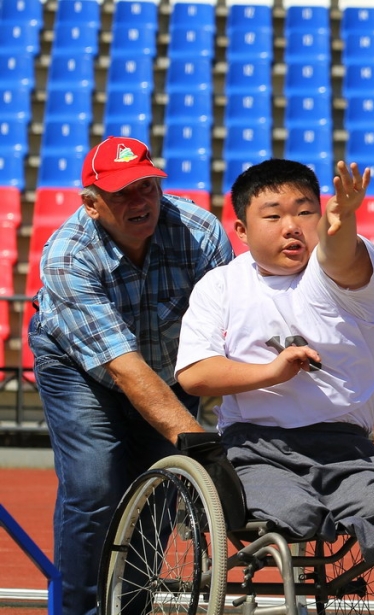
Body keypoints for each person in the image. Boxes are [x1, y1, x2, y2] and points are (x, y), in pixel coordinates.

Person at [29, 136, 234, 615]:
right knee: (96, 482)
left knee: (165, 486)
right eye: (122, 193)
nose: (141, 201)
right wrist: (203, 447)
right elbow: (122, 366)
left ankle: (131, 607)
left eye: (147, 186)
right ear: (92, 204)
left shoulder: (201, 232)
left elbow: (228, 334)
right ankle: (78, 610)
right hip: (80, 367)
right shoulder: (67, 255)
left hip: (169, 366)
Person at [174, 159, 374, 563]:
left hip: (346, 449)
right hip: (254, 446)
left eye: (305, 212)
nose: (292, 226)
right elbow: (195, 374)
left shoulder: (339, 267)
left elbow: (340, 256)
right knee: (295, 514)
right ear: (242, 231)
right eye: (274, 216)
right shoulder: (221, 285)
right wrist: (272, 372)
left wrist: (340, 223)